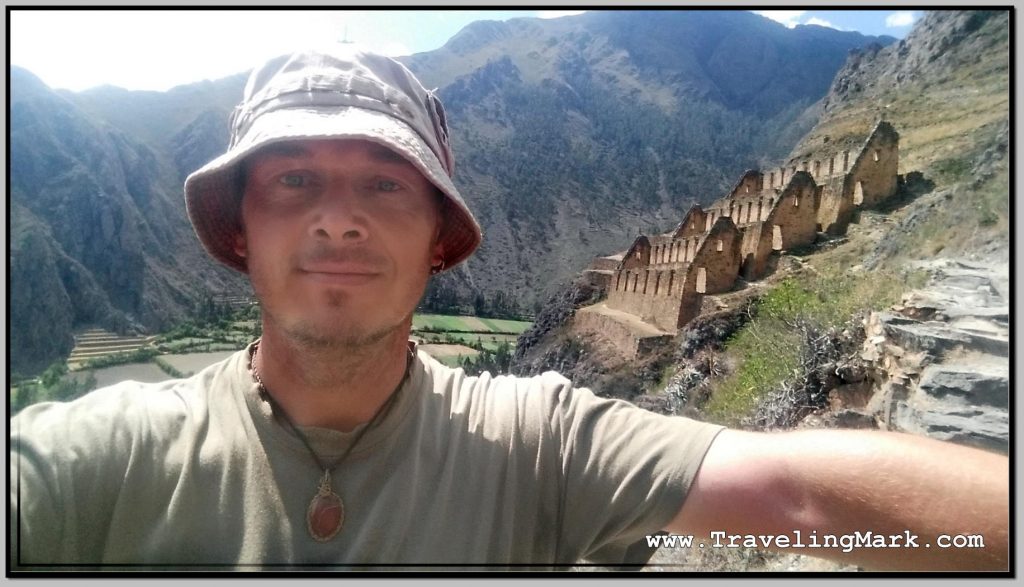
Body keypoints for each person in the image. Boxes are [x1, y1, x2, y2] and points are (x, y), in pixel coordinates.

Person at [10, 47, 1008, 572]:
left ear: (441, 237)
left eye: (385, 184)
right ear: (237, 232)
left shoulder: (532, 440)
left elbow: (798, 492)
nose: (340, 219)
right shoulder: (98, 460)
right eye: (293, 181)